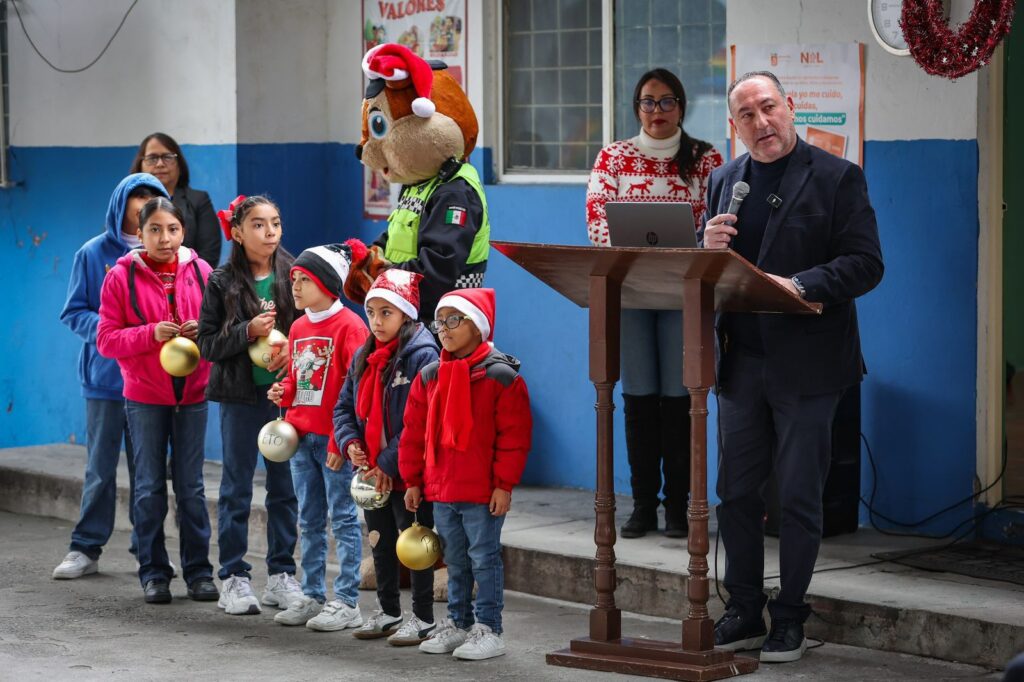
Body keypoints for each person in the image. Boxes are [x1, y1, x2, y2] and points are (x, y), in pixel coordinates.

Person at [700, 71, 884, 663]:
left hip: (809, 365)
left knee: (800, 496)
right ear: (734, 125)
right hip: (742, 362)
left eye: (769, 107)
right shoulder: (725, 181)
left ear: (791, 107)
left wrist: (800, 284)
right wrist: (705, 249)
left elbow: (866, 263)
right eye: (747, 114)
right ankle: (743, 608)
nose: (762, 122)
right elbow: (711, 273)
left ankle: (790, 617)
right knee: (734, 493)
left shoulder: (837, 177)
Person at [586, 68, 724, 539]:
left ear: (681, 106)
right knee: (639, 401)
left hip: (685, 293)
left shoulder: (706, 159)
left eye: (667, 101)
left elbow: (717, 224)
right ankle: (643, 504)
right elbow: (598, 225)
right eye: (648, 101)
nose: (657, 111)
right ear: (636, 108)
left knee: (680, 402)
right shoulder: (613, 157)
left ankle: (678, 508)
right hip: (631, 294)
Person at [96, 197, 217, 604]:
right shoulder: (120, 276)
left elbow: (221, 328)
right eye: (154, 230)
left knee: (191, 488)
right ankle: (153, 572)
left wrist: (202, 330)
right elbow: (106, 340)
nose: (165, 238)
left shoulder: (201, 271)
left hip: (194, 394)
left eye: (173, 229)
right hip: (145, 397)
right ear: (139, 233)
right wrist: (151, 333)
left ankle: (199, 572)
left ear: (183, 231)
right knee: (148, 487)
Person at [400, 288, 532, 661]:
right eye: (439, 321)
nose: (444, 328)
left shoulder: (501, 377)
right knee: (455, 561)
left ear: (478, 326)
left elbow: (514, 438)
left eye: (454, 320)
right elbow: (413, 433)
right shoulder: (430, 376)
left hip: (482, 492)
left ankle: (489, 628)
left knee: (484, 559)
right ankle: (458, 624)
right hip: (442, 489)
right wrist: (413, 480)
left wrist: (503, 485)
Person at [53, 173, 167, 580]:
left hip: (151, 382)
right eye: (137, 196)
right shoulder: (92, 253)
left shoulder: (168, 256)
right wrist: (114, 332)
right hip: (105, 381)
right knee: (100, 468)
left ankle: (147, 550)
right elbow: (74, 312)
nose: (144, 202)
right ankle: (85, 547)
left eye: (153, 196)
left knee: (148, 472)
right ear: (121, 204)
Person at [197, 195, 303, 615]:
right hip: (240, 399)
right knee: (237, 488)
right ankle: (234, 577)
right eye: (258, 224)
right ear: (238, 233)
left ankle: (282, 574)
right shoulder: (222, 281)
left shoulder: (295, 273)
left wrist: (292, 350)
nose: (270, 232)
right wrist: (246, 331)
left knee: (284, 489)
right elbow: (207, 344)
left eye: (275, 222)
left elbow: (312, 327)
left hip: (284, 398)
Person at [266, 244, 369, 631]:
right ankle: (312, 594)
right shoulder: (297, 327)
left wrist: (343, 442)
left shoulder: (351, 327)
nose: (294, 286)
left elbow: (356, 393)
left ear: (327, 284)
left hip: (332, 444)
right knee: (308, 520)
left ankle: (347, 601)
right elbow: (299, 379)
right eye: (293, 279)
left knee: (342, 519)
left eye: (304, 279)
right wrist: (284, 393)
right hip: (300, 438)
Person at [334, 269, 440, 645]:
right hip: (371, 472)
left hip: (408, 472)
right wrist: (350, 442)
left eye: (386, 313)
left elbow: (418, 423)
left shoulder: (422, 355)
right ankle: (389, 611)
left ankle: (423, 617)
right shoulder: (365, 354)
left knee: (415, 543)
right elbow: (344, 407)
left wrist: (387, 463)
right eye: (371, 312)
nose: (376, 321)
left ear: (406, 314)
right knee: (380, 540)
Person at [130, 133, 222, 266]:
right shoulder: (128, 203)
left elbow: (209, 255)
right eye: (152, 158)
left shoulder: (199, 200)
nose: (160, 164)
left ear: (179, 164)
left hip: (189, 277)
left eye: (167, 157)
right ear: (140, 164)